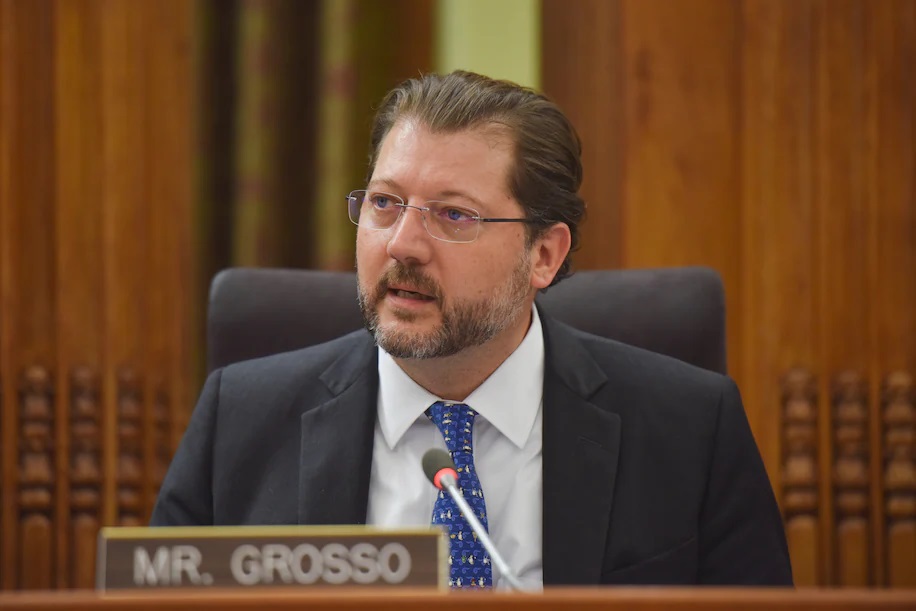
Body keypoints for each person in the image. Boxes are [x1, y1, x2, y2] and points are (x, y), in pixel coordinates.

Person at [151, 70, 793, 588]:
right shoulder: (239, 420)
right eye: (384, 203)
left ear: (544, 255)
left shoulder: (691, 430)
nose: (402, 244)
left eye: (453, 215)